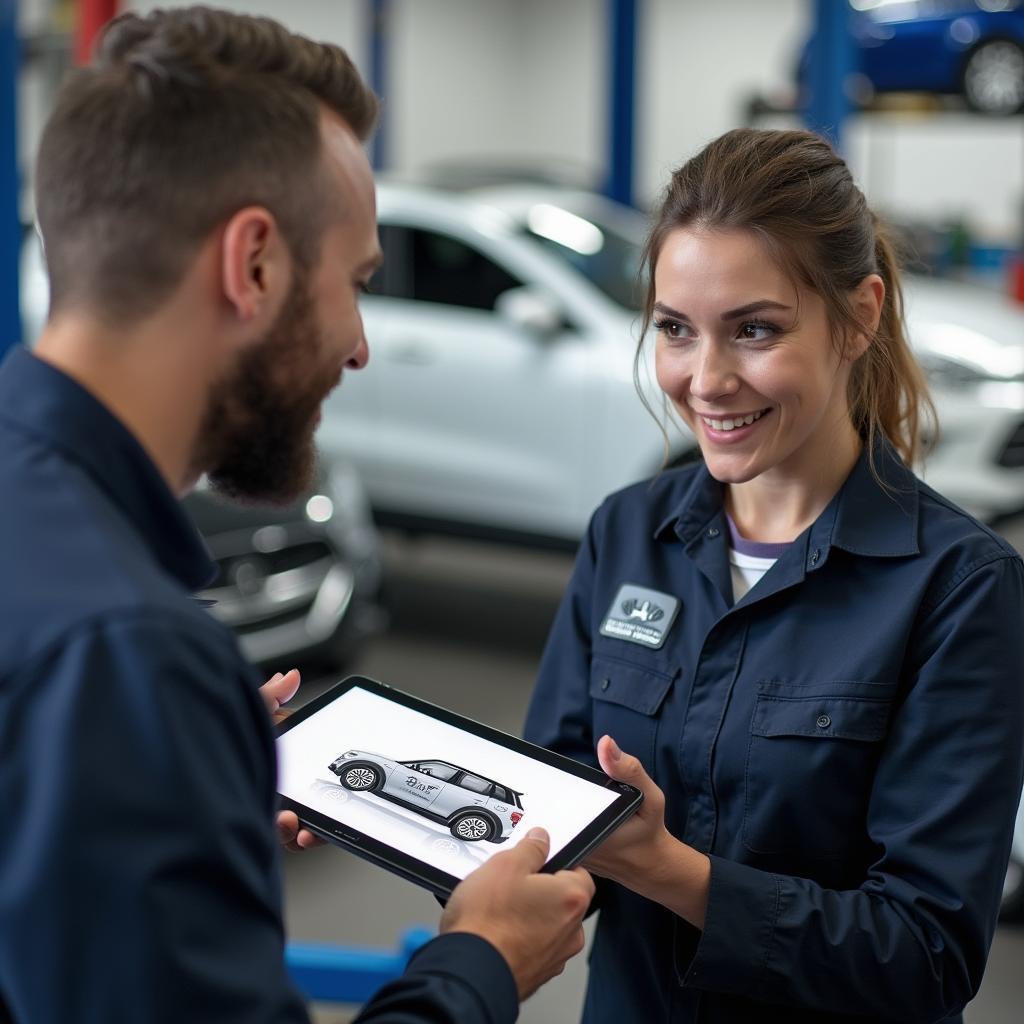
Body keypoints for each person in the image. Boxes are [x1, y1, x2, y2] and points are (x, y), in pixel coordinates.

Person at [0, 8, 593, 1023]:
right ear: (256, 265)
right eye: (357, 284)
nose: (359, 346)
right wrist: (479, 964)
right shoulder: (125, 655)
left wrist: (188, 782)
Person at [524, 127, 1024, 1023]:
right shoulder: (627, 534)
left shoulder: (958, 590)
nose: (706, 380)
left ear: (860, 315)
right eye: (676, 330)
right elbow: (552, 802)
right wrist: (352, 788)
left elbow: (928, 955)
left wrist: (668, 870)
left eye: (754, 330)